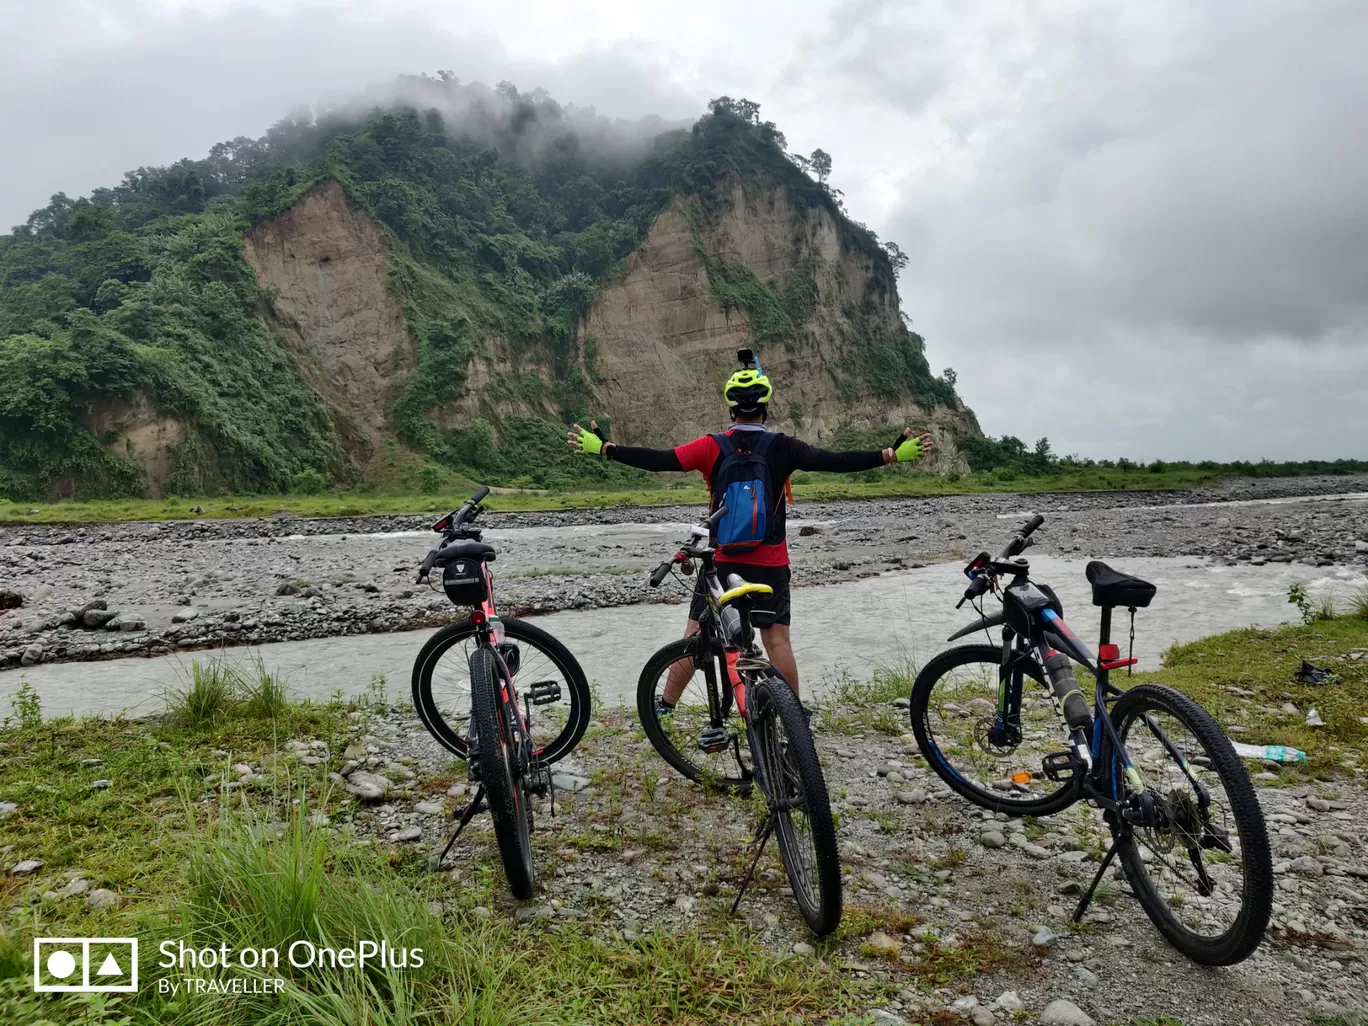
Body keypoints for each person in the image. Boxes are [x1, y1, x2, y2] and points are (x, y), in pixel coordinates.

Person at [567, 350, 933, 708]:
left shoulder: (711, 446)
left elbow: (661, 459)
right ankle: (793, 716)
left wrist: (607, 449)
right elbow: (835, 461)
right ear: (766, 408)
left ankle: (665, 704)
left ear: (730, 409)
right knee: (777, 643)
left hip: (722, 562)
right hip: (771, 562)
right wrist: (889, 455)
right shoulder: (783, 447)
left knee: (696, 637)